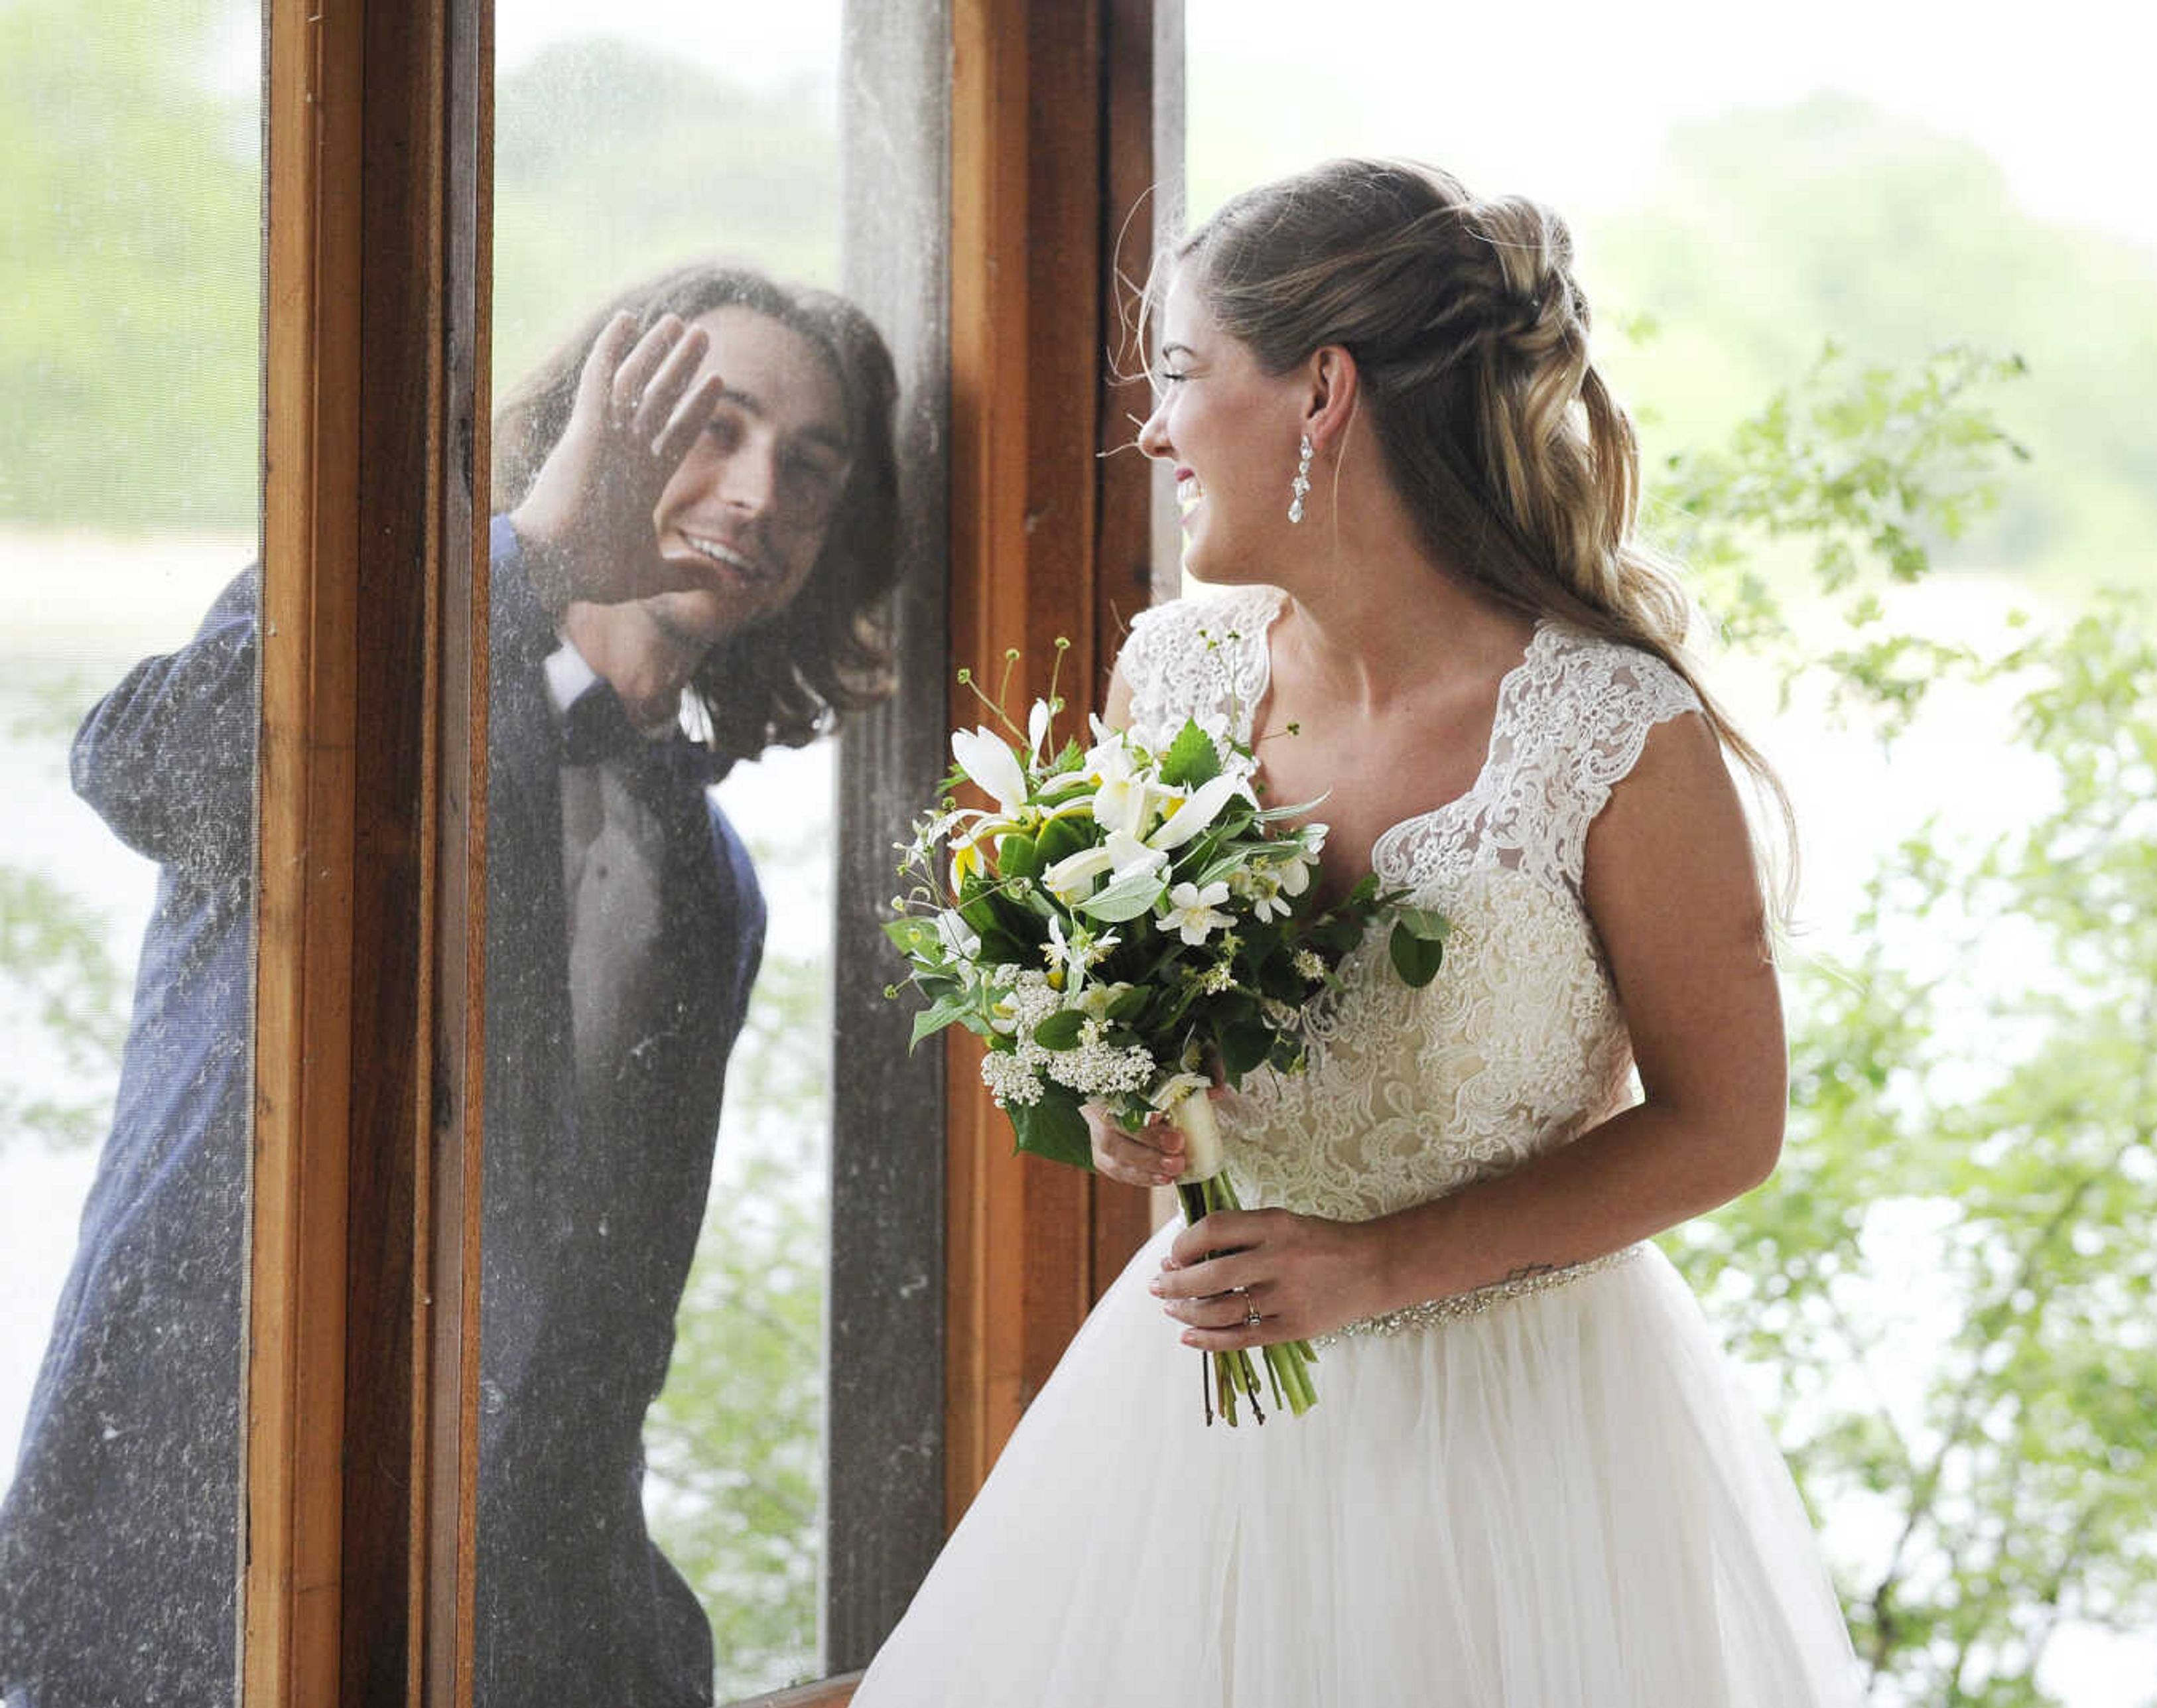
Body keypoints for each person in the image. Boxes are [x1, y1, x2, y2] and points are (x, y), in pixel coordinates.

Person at [852, 159, 1862, 1705]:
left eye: (1183, 373)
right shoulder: (1171, 677)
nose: (1152, 426)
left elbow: (1730, 1126)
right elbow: (1160, 1025)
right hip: (1204, 1427)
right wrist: (1136, 1102)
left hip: (1529, 1446)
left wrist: (1379, 1265)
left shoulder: (1610, 729)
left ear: (1322, 394)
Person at [0, 261, 898, 1708]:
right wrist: (529, 556)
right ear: (597, 423)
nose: (754, 494)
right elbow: (137, 763)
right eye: (708, 427)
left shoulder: (718, 883)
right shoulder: (375, 634)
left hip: (519, 1623)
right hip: (196, 1551)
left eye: (809, 467)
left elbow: (613, 1323)